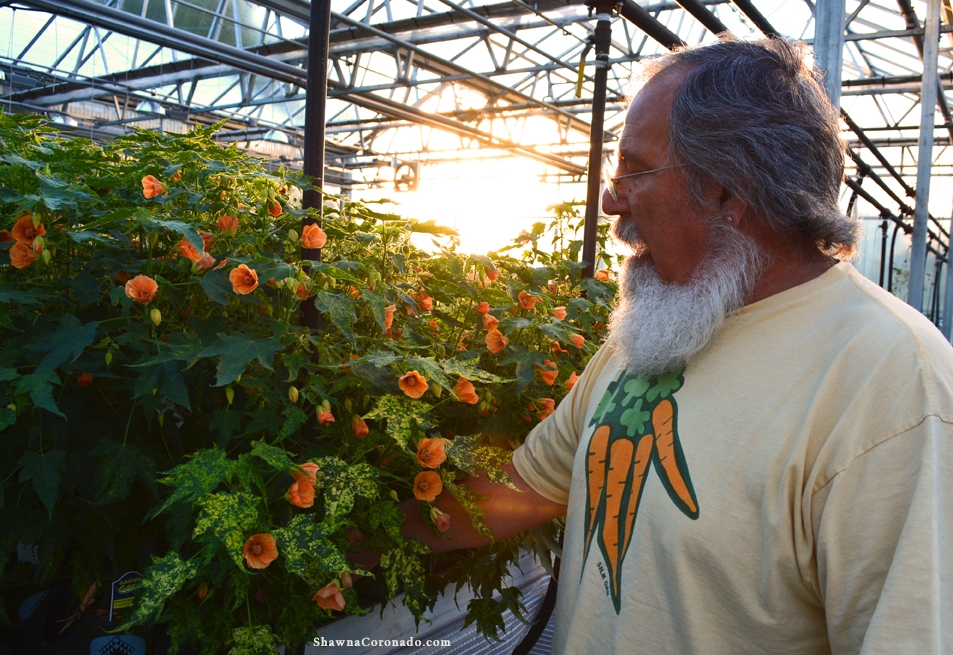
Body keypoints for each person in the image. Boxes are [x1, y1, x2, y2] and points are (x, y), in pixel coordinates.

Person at [397, 36, 953, 654]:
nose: (611, 199)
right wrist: (334, 531)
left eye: (634, 170)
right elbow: (511, 491)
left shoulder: (891, 381)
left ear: (727, 191)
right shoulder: (650, 335)